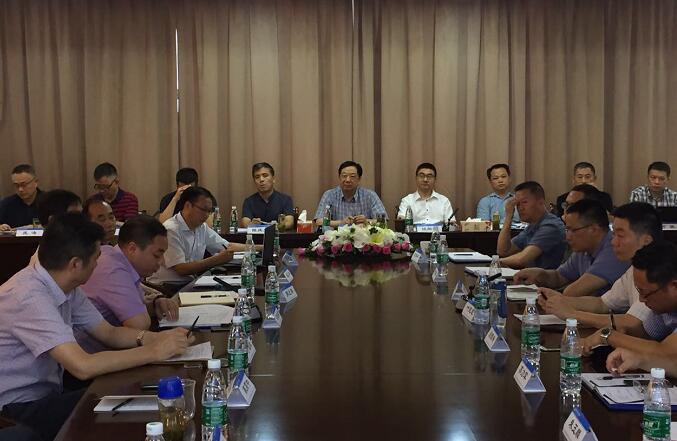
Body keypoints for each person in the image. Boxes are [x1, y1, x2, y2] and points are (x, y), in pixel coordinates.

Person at [0, 213, 192, 441]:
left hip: (49, 393)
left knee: (126, 395)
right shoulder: (29, 296)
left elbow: (109, 333)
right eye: (96, 258)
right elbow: (82, 366)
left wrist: (157, 339)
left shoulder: (66, 287)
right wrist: (155, 351)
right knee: (119, 409)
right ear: (75, 264)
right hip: (16, 408)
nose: (98, 264)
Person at [538, 202, 661, 327]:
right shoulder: (634, 269)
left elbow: (632, 323)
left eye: (620, 236)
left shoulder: (658, 270)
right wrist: (561, 300)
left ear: (646, 241)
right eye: (614, 235)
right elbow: (602, 304)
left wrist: (573, 314)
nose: (613, 242)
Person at [81, 216, 178, 340]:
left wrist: (155, 304)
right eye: (156, 255)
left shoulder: (112, 254)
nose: (161, 262)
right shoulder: (113, 270)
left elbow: (133, 310)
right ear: (132, 249)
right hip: (91, 350)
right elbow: (140, 325)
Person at [581, 241, 677, 358]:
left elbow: (666, 353)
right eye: (638, 291)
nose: (641, 300)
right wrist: (618, 332)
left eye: (645, 293)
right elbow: (646, 334)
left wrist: (609, 336)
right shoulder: (666, 309)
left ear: (674, 286)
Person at [514, 199, 628, 296]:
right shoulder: (583, 249)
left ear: (594, 229)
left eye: (573, 230)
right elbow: (559, 277)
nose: (567, 237)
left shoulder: (615, 248)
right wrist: (540, 275)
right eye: (567, 230)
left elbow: (573, 292)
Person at [149, 187, 252, 287]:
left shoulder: (201, 227)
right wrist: (217, 259)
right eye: (203, 210)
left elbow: (227, 246)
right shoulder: (170, 230)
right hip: (167, 287)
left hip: (190, 283)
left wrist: (257, 247)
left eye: (209, 211)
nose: (207, 215)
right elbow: (181, 269)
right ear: (188, 206)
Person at [496, 181, 566, 269]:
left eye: (524, 202)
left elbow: (522, 259)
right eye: (517, 204)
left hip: (548, 277)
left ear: (541, 202)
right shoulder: (532, 226)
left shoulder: (551, 225)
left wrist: (495, 262)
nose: (520, 208)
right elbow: (503, 251)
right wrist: (509, 216)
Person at [314, 161, 387, 227]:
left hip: (364, 236)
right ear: (339, 177)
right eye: (344, 176)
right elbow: (319, 221)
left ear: (359, 178)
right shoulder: (329, 195)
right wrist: (341, 222)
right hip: (337, 236)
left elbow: (383, 221)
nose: (348, 180)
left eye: (352, 176)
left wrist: (366, 221)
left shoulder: (370, 195)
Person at [28, 190, 84, 267]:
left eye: (82, 215)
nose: (83, 221)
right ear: (53, 221)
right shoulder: (46, 262)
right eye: (75, 216)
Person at [241, 162, 294, 230]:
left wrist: (276, 226)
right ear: (254, 181)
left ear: (273, 179)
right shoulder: (249, 201)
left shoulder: (285, 200)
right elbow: (245, 223)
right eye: (257, 177)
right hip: (257, 236)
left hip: (278, 235)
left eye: (265, 175)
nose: (261, 180)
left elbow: (289, 222)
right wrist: (252, 224)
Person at [0, 164, 42, 231]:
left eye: (24, 185)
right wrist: (1, 227)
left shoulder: (49, 201)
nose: (20, 189)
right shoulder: (6, 204)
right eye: (16, 185)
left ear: (36, 182)